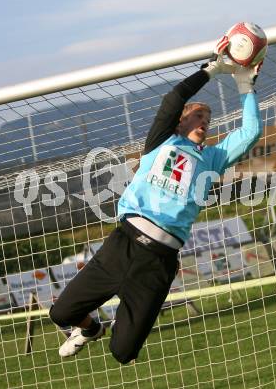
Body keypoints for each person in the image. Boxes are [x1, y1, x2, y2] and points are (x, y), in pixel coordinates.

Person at [49, 36, 264, 364]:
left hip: (158, 262)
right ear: (181, 121)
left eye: (208, 120)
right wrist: (213, 69)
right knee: (61, 312)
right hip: (122, 245)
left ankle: (125, 321)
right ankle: (91, 328)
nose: (204, 123)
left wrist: (245, 84)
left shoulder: (212, 159)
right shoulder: (161, 141)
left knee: (123, 353)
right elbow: (173, 98)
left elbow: (249, 133)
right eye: (197, 117)